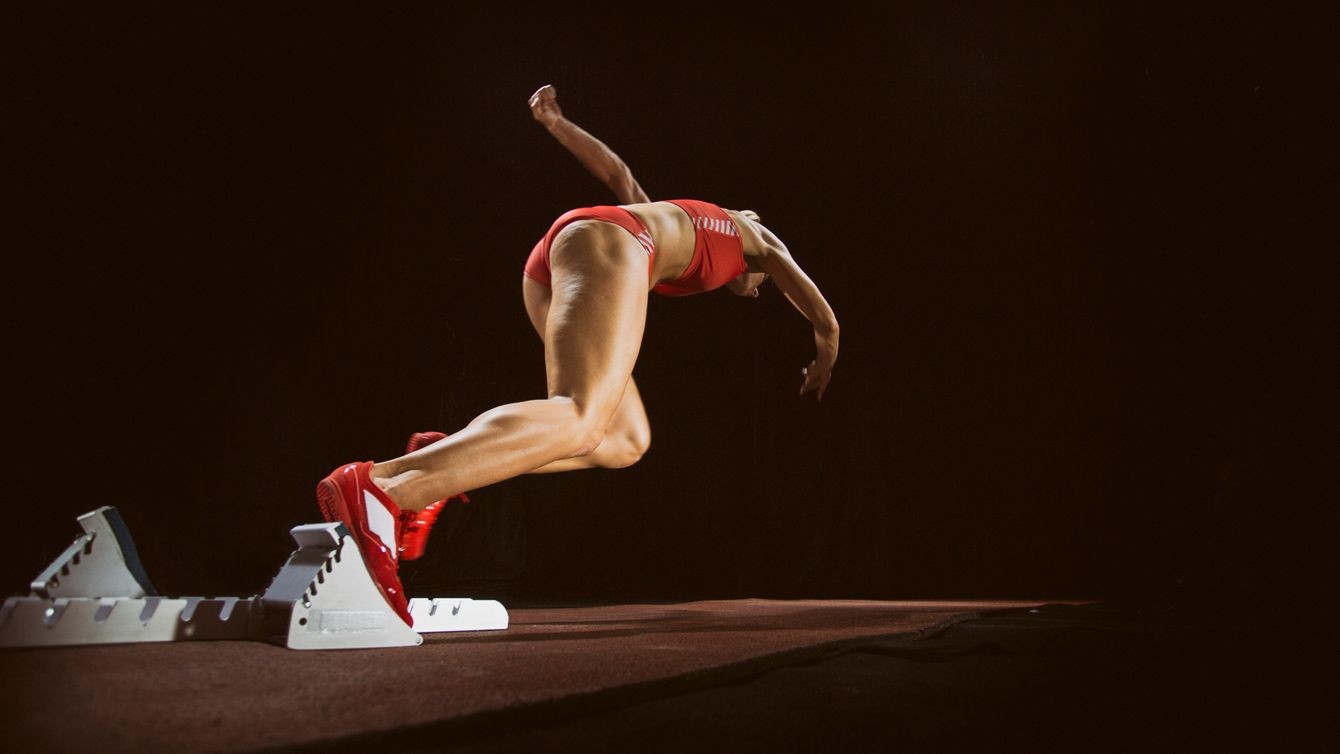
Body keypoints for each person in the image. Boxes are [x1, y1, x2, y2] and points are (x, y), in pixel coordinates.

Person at [317, 85, 840, 625]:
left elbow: (619, 175)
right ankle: (380, 486)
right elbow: (796, 281)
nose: (755, 288)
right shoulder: (748, 232)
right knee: (579, 414)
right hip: (605, 244)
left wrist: (556, 123)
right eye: (757, 282)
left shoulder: (683, 224)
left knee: (623, 440)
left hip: (560, 261)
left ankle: (448, 463)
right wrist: (827, 345)